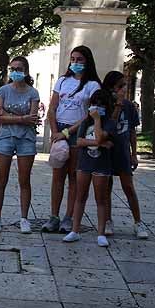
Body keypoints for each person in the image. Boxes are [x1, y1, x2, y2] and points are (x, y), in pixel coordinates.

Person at [45, 45, 101, 233]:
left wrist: (67, 133)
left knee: (73, 177)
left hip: (78, 133)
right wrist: (55, 131)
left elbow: (89, 114)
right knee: (57, 176)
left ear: (87, 62)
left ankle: (68, 217)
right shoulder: (62, 81)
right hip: (59, 130)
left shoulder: (92, 85)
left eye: (80, 60)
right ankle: (54, 216)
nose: (75, 63)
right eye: (73, 59)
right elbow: (52, 107)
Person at [0, 57, 40, 233]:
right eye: (12, 69)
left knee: (24, 180)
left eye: (18, 69)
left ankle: (24, 218)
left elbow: (32, 119)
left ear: (26, 71)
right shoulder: (3, 91)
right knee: (1, 178)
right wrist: (21, 117)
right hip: (5, 136)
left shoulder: (33, 93)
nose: (15, 72)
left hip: (26, 138)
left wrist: (9, 114)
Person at [63, 89, 116, 246]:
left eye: (100, 104)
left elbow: (101, 136)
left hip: (101, 165)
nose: (96, 107)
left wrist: (98, 121)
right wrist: (99, 143)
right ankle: (75, 230)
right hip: (84, 163)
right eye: (94, 103)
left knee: (101, 198)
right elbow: (79, 141)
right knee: (80, 196)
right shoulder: (85, 121)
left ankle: (100, 233)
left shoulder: (109, 123)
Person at [101, 71, 150, 239]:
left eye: (124, 86)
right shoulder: (105, 104)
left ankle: (138, 222)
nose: (123, 89)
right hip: (107, 151)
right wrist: (117, 106)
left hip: (122, 151)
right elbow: (108, 126)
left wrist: (134, 154)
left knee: (128, 187)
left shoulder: (129, 106)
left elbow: (132, 132)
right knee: (106, 188)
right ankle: (107, 220)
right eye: (119, 86)